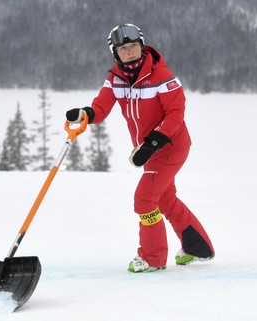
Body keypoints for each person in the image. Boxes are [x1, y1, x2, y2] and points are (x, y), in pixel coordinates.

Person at [66, 23, 215, 273]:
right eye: (123, 49)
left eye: (133, 46)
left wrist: (154, 142)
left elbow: (176, 113)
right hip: (148, 150)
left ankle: (153, 258)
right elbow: (102, 106)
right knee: (164, 199)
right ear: (115, 53)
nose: (130, 52)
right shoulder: (116, 78)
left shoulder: (161, 76)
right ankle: (198, 248)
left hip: (170, 146)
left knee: (144, 200)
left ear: (142, 46)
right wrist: (86, 113)